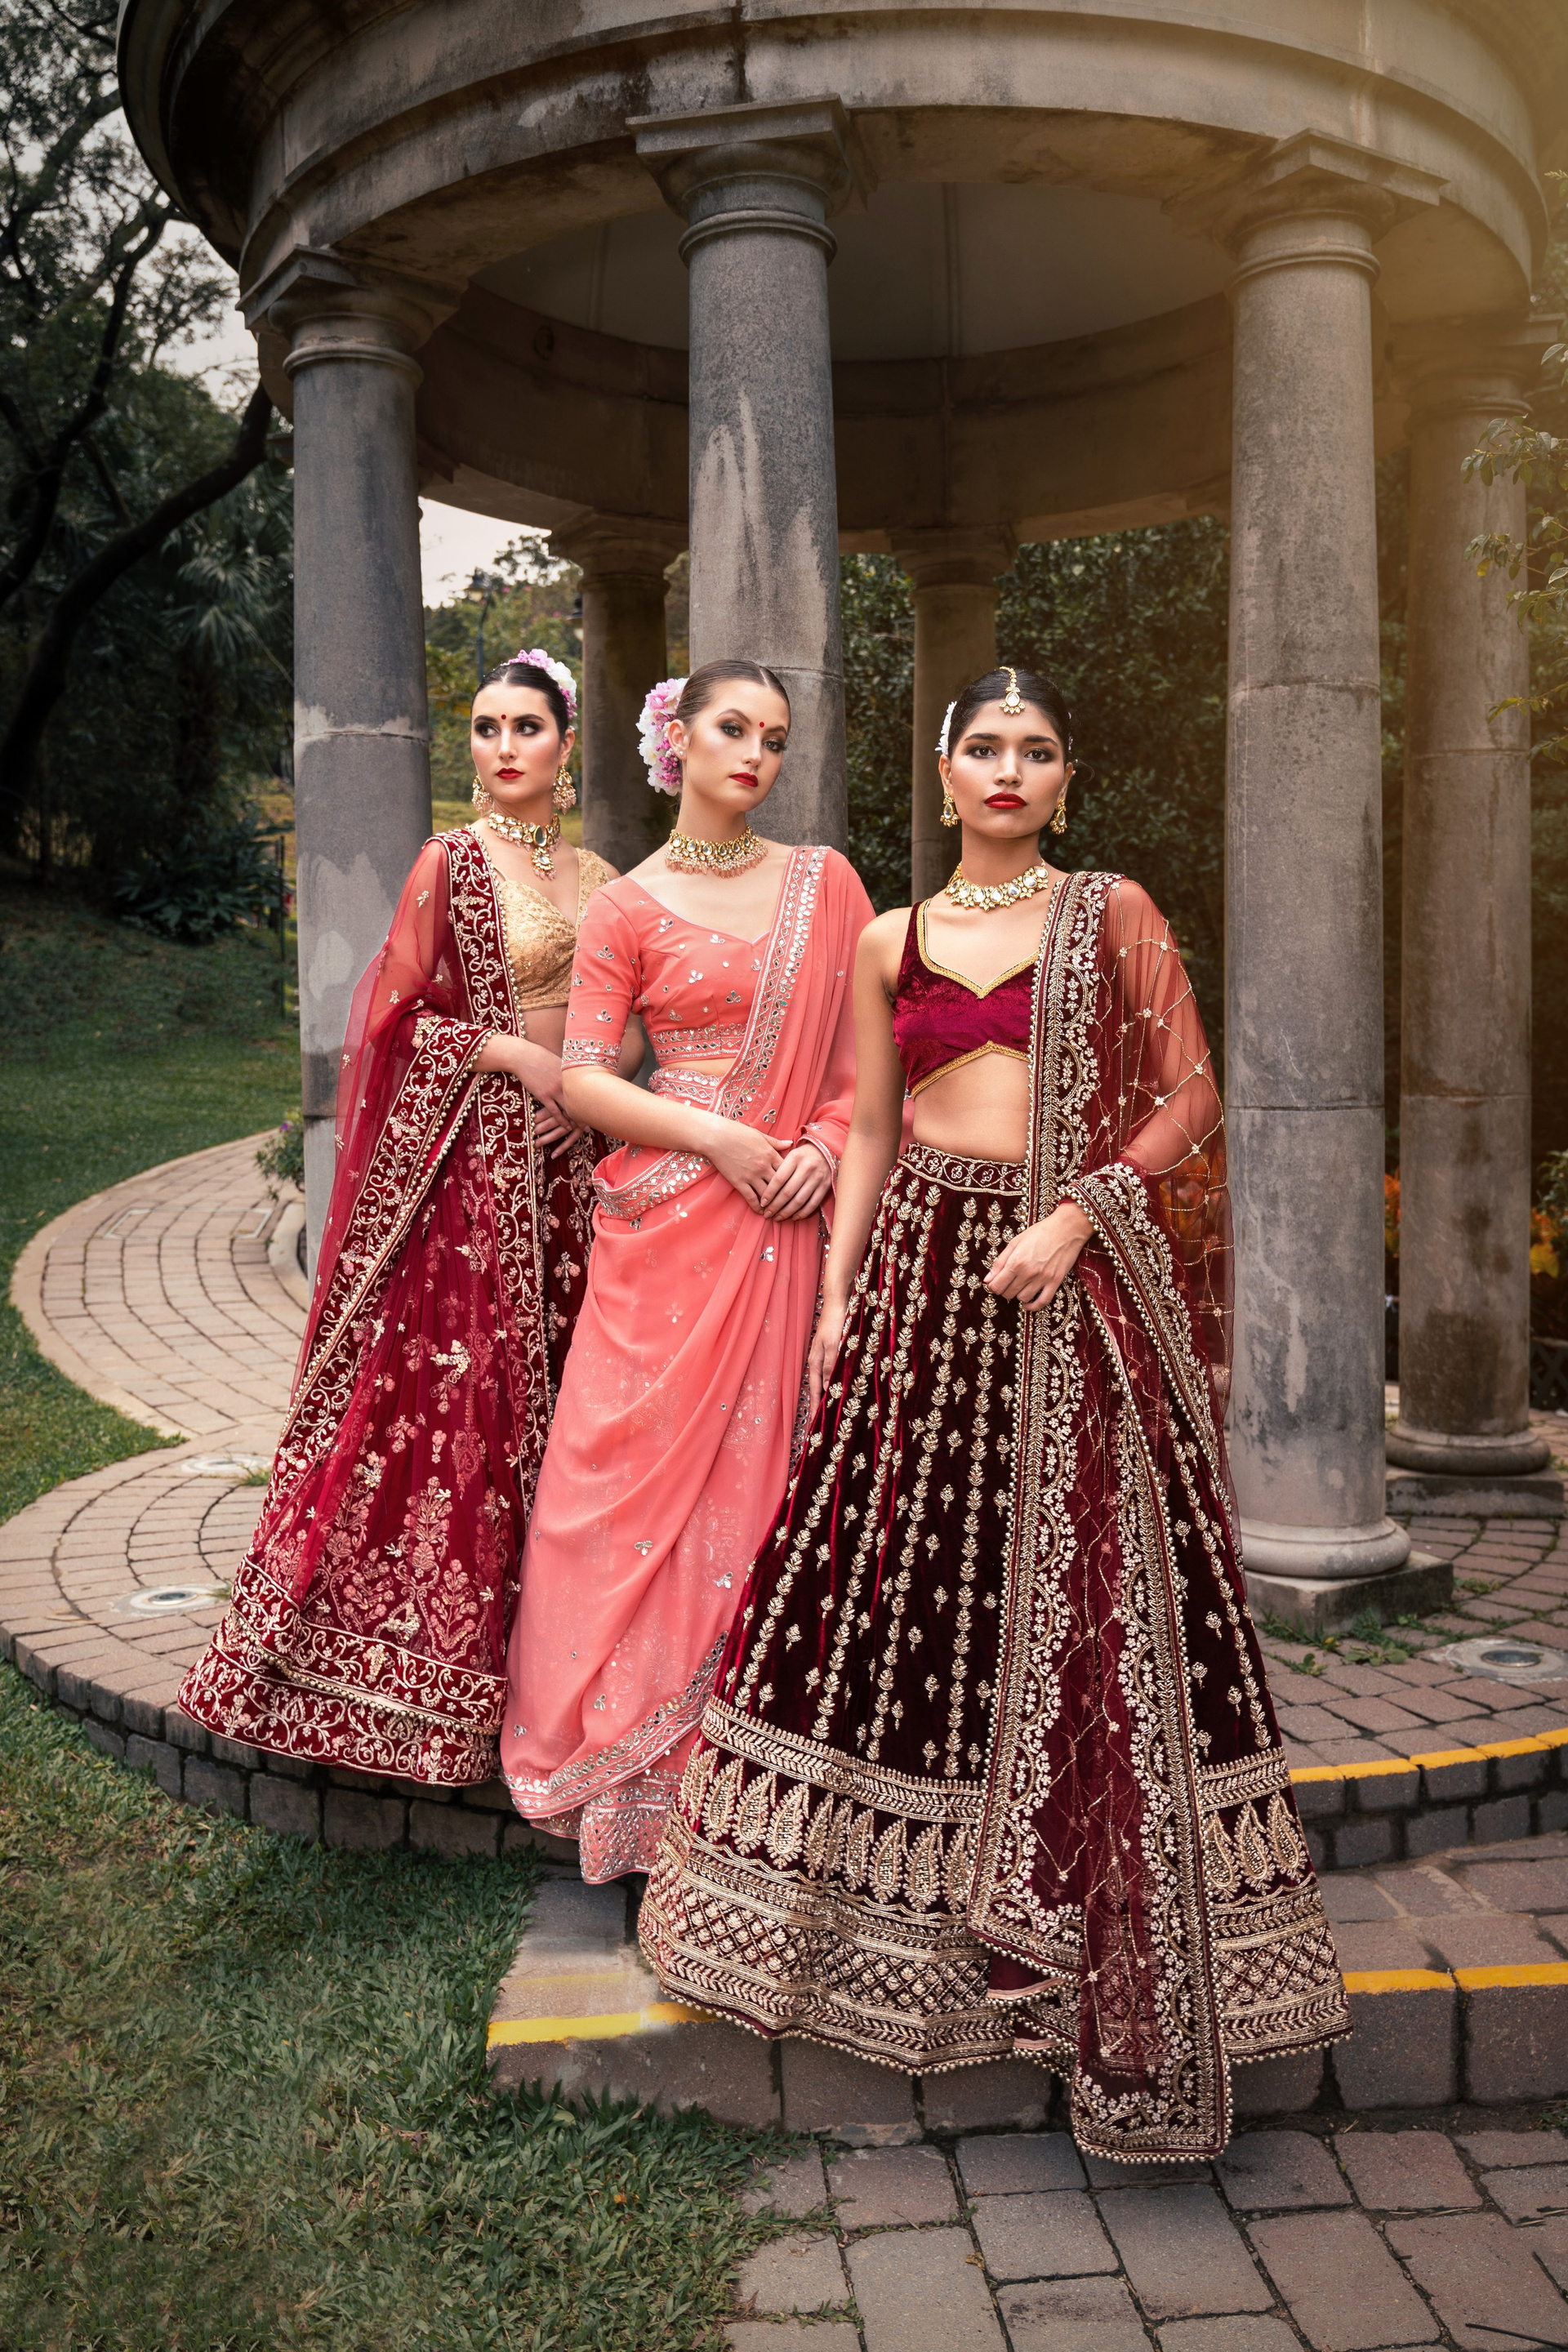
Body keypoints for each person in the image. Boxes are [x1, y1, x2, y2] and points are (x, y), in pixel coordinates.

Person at [639, 666, 1348, 2161]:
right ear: (946, 774)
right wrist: (840, 1297)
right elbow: (873, 1126)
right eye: (983, 747)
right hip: (921, 1272)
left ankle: (1074, 1934)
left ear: (1065, 781)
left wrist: (1080, 1216)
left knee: (1081, 1596)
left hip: (1069, 1283)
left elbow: (1191, 1097)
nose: (1008, 769)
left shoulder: (1114, 913)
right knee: (912, 1585)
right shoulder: (890, 939)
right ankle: (889, 1940)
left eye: (1036, 749)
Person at [178, 651, 639, 1784]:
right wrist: (515, 1058)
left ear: (566, 742)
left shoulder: (603, 876)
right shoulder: (452, 862)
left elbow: (636, 1015)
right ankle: (429, 1688)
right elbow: (395, 1017)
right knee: (469, 1406)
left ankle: (561, 1672)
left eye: (526, 726)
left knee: (577, 1405)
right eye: (485, 728)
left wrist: (592, 1088)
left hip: (575, 1168)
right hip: (474, 1175)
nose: (503, 747)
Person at [501, 660, 875, 1882]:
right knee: (610, 1483)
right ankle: (623, 1774)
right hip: (669, 1218)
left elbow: (868, 1066)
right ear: (678, 742)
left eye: (774, 736)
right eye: (732, 728)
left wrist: (822, 1148)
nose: (756, 753)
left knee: (765, 1481)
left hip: (788, 1218)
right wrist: (719, 1139)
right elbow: (587, 1079)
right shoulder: (626, 905)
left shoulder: (829, 886)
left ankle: (744, 1778)